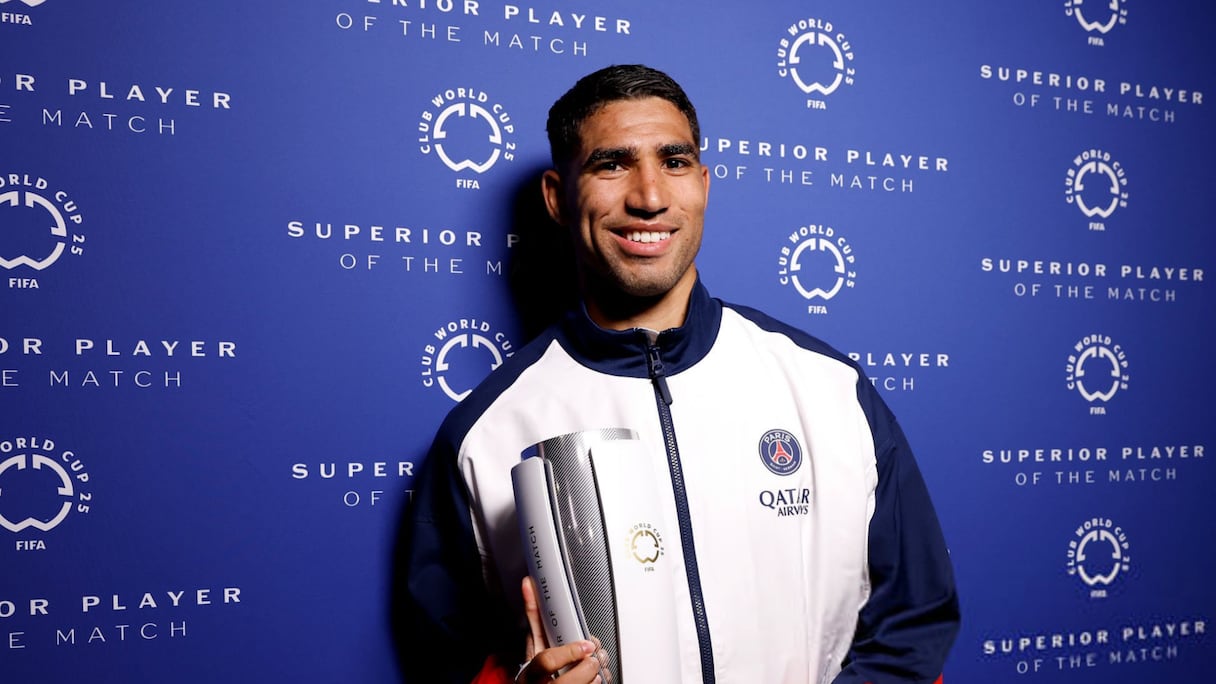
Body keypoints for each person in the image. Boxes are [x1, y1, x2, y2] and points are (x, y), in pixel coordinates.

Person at [395, 64, 959, 684]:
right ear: (557, 197)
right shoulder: (485, 433)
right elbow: (449, 664)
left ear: (704, 184)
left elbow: (913, 628)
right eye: (612, 164)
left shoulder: (829, 389)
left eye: (675, 161)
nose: (650, 196)